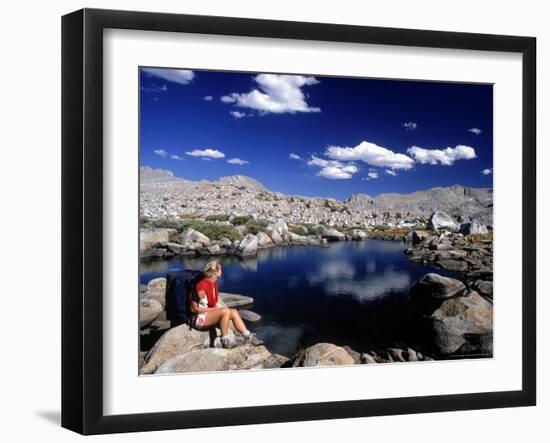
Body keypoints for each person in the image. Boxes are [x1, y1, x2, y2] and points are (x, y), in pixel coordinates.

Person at [189, 260, 263, 348]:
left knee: (234, 312)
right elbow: (194, 309)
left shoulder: (213, 284)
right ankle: (225, 340)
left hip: (207, 315)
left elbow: (212, 303)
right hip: (198, 319)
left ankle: (248, 336)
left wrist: (215, 309)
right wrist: (215, 309)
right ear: (215, 272)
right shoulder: (201, 286)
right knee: (225, 311)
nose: (222, 272)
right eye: (220, 270)